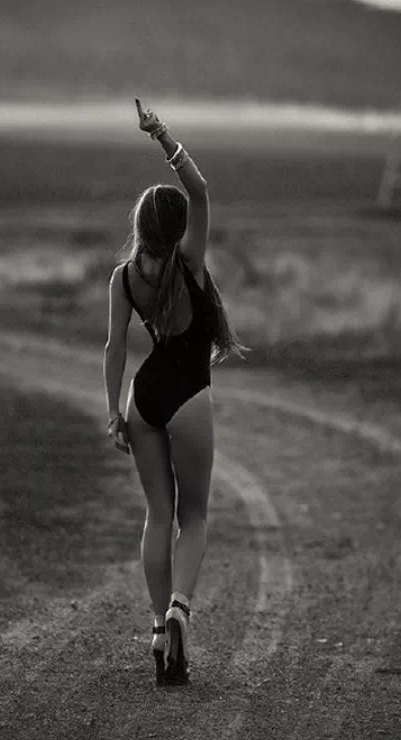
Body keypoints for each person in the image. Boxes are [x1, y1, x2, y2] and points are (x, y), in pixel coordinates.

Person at [103, 98, 246, 686]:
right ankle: (180, 608)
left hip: (144, 397)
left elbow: (114, 348)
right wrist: (161, 135)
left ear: (140, 228)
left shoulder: (124, 277)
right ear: (180, 228)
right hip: (189, 395)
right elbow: (202, 189)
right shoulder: (188, 261)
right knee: (195, 515)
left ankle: (159, 634)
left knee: (157, 515)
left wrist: (112, 412)